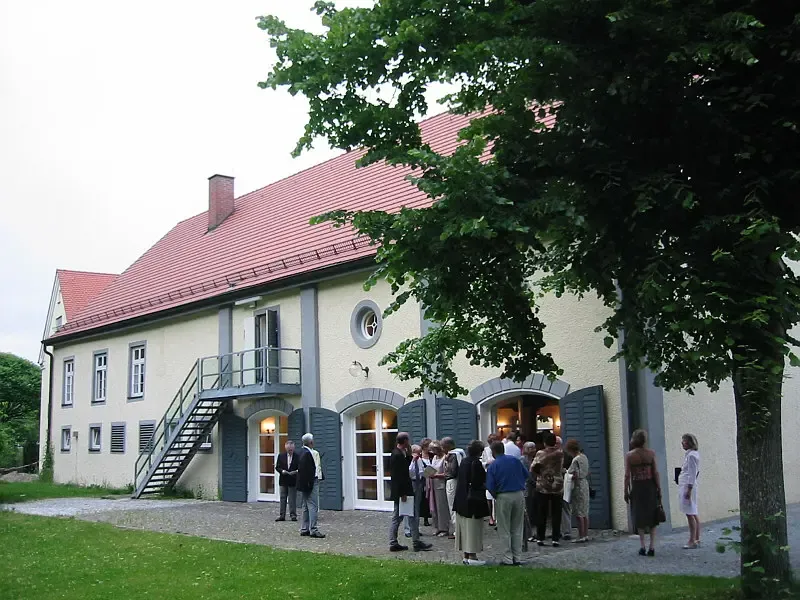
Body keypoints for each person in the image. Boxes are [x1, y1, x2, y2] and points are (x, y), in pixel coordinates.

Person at [486, 441, 529, 566]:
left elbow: (490, 485)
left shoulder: (493, 466)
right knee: (517, 526)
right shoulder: (515, 460)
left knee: (504, 528)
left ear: (493, 452)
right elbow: (526, 475)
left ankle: (507, 558)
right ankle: (518, 556)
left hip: (503, 495)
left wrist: (496, 495)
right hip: (519, 493)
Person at [388, 432, 432, 552]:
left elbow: (406, 464)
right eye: (408, 440)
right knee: (400, 517)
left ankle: (413, 541)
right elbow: (398, 476)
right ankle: (401, 542)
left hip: (405, 491)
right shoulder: (396, 455)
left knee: (407, 516)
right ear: (405, 441)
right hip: (403, 492)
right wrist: (402, 493)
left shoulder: (401, 453)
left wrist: (409, 455)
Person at [624, 429, 662, 556]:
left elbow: (627, 475)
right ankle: (652, 546)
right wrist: (659, 488)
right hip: (650, 485)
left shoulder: (630, 455)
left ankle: (642, 545)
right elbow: (655, 472)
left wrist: (626, 490)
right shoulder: (651, 453)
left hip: (637, 486)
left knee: (638, 515)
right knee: (652, 516)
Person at [454, 440, 491, 566]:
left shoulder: (464, 462)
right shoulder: (476, 463)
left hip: (461, 500)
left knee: (464, 529)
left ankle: (466, 555)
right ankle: (472, 556)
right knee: (473, 529)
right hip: (472, 502)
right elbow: (477, 482)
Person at [532, 433, 565, 546]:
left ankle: (540, 537)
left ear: (545, 442)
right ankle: (555, 538)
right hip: (557, 485)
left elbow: (533, 467)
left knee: (542, 512)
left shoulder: (541, 453)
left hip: (543, 485)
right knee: (557, 513)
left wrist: (540, 473)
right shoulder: (560, 453)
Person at [297, 433, 325, 538]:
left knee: (305, 506)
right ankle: (313, 529)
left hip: (305, 483)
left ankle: (304, 528)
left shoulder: (300, 452)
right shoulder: (309, 454)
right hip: (311, 482)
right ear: (311, 442)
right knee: (313, 506)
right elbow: (311, 470)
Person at [678, 433, 701, 549]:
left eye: (684, 441)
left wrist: (689, 489)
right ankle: (697, 538)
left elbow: (692, 474)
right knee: (693, 511)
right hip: (687, 485)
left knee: (690, 513)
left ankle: (692, 540)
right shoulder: (691, 454)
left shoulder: (691, 456)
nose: (682, 443)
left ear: (689, 442)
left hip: (687, 486)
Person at [565, 440, 590, 543]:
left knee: (579, 512)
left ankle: (581, 535)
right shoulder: (584, 457)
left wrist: (565, 473)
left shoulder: (575, 460)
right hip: (585, 484)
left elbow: (572, 473)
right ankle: (586, 534)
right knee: (585, 511)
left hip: (578, 486)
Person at [442, 436, 465, 539]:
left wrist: (446, 466)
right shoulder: (461, 452)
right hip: (460, 481)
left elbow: (452, 471)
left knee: (452, 506)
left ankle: (457, 530)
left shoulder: (452, 455)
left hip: (452, 481)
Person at [429, 442, 451, 536]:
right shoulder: (434, 457)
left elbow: (447, 473)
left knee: (441, 507)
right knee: (433, 507)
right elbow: (431, 468)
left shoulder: (444, 458)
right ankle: (437, 527)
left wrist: (436, 475)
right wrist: (427, 473)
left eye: (434, 450)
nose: (433, 452)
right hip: (433, 484)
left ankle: (444, 528)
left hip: (441, 485)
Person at [275, 440, 299, 522]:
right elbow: (277, 467)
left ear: (294, 448)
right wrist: (282, 471)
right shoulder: (281, 456)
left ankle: (293, 515)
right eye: (289, 449)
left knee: (292, 499)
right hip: (283, 479)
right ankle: (282, 515)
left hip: (293, 480)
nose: (290, 451)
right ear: (286, 448)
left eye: (291, 449)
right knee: (283, 498)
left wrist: (296, 471)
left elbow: (300, 467)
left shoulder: (297, 456)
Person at [521, 441, 538, 543]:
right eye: (531, 448)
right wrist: (534, 482)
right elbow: (527, 474)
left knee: (531, 509)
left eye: (534, 448)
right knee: (527, 510)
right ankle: (528, 534)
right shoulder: (523, 460)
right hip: (527, 488)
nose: (534, 450)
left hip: (532, 488)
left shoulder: (532, 459)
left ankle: (530, 532)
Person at [557, 435, 573, 540]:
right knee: (556, 509)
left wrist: (565, 470)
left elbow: (571, 469)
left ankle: (567, 531)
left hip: (565, 484)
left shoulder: (567, 456)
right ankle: (557, 531)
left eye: (556, 443)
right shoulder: (551, 455)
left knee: (565, 507)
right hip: (555, 485)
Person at [481, 434, 498, 526]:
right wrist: (487, 463)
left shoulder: (500, 449)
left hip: (497, 474)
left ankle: (498, 517)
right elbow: (482, 462)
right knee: (489, 496)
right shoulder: (485, 450)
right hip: (488, 473)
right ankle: (491, 516)